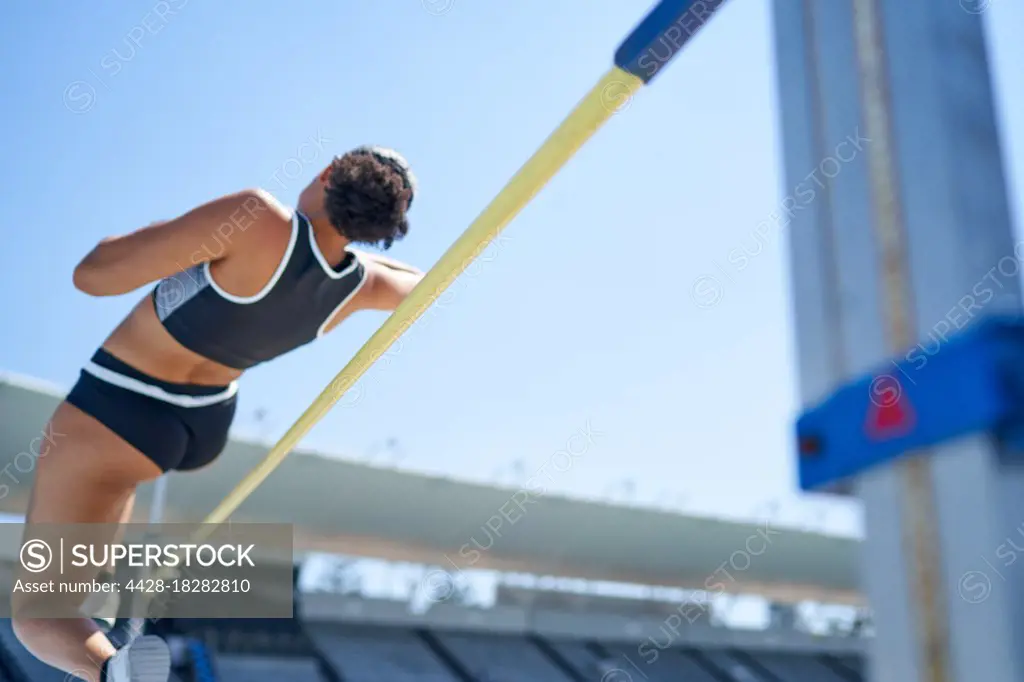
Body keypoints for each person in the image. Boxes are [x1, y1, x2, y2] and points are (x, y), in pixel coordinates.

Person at [12, 146, 424, 682]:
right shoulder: (364, 285)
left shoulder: (258, 219)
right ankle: (109, 624)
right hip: (197, 428)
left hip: (118, 404)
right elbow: (427, 281)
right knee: (107, 504)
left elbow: (92, 276)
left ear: (327, 175)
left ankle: (115, 672)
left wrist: (174, 236)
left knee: (41, 616)